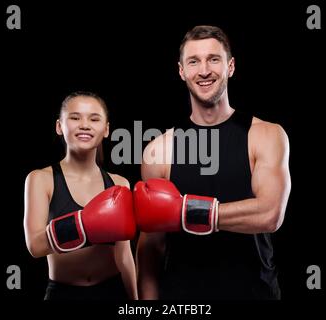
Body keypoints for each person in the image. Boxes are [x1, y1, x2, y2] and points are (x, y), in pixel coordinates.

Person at [134, 25, 291, 299]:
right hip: (183, 299)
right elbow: (151, 246)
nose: (204, 70)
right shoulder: (159, 151)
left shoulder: (265, 135)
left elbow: (269, 214)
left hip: (255, 294)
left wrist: (184, 212)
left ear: (230, 66)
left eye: (213, 59)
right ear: (182, 71)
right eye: (193, 61)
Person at [24, 91, 138, 300]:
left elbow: (124, 256)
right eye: (75, 118)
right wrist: (87, 224)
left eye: (94, 119)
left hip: (112, 290)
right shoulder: (41, 179)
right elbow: (35, 245)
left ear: (106, 129)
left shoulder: (120, 184)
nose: (85, 125)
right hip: (63, 292)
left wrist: (136, 303)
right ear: (60, 126)